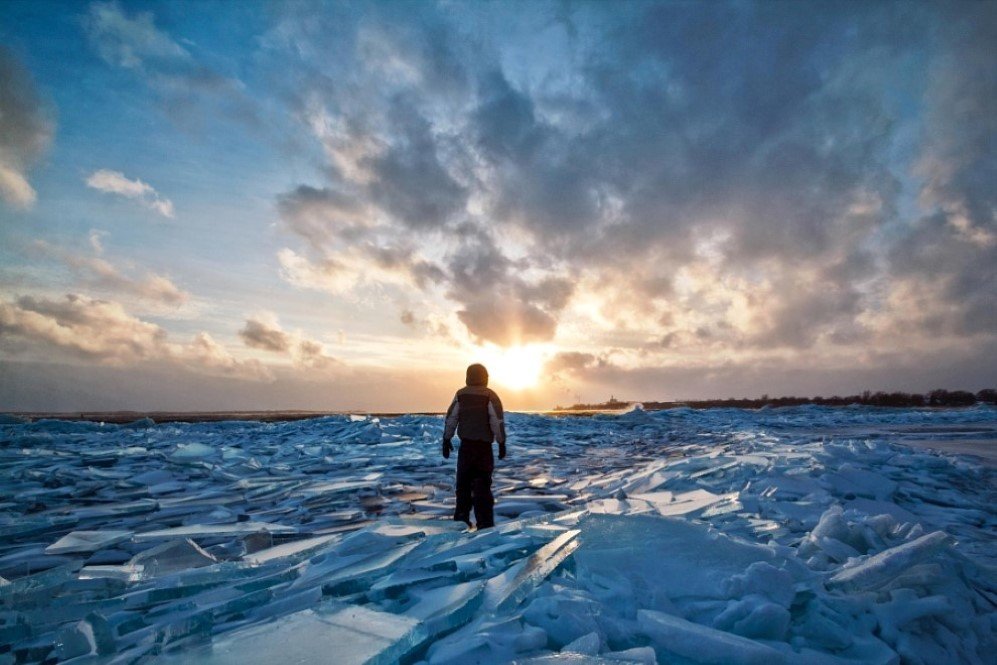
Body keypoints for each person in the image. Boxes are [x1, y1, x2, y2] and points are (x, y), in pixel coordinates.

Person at [442, 363, 506, 529]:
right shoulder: (490, 395)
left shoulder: (461, 394)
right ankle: (484, 524)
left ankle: (461, 520)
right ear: (485, 377)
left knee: (463, 486)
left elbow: (452, 419)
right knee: (483, 487)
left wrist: (446, 439)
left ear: (468, 377)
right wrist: (501, 442)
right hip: (483, 449)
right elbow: (496, 421)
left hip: (466, 448)